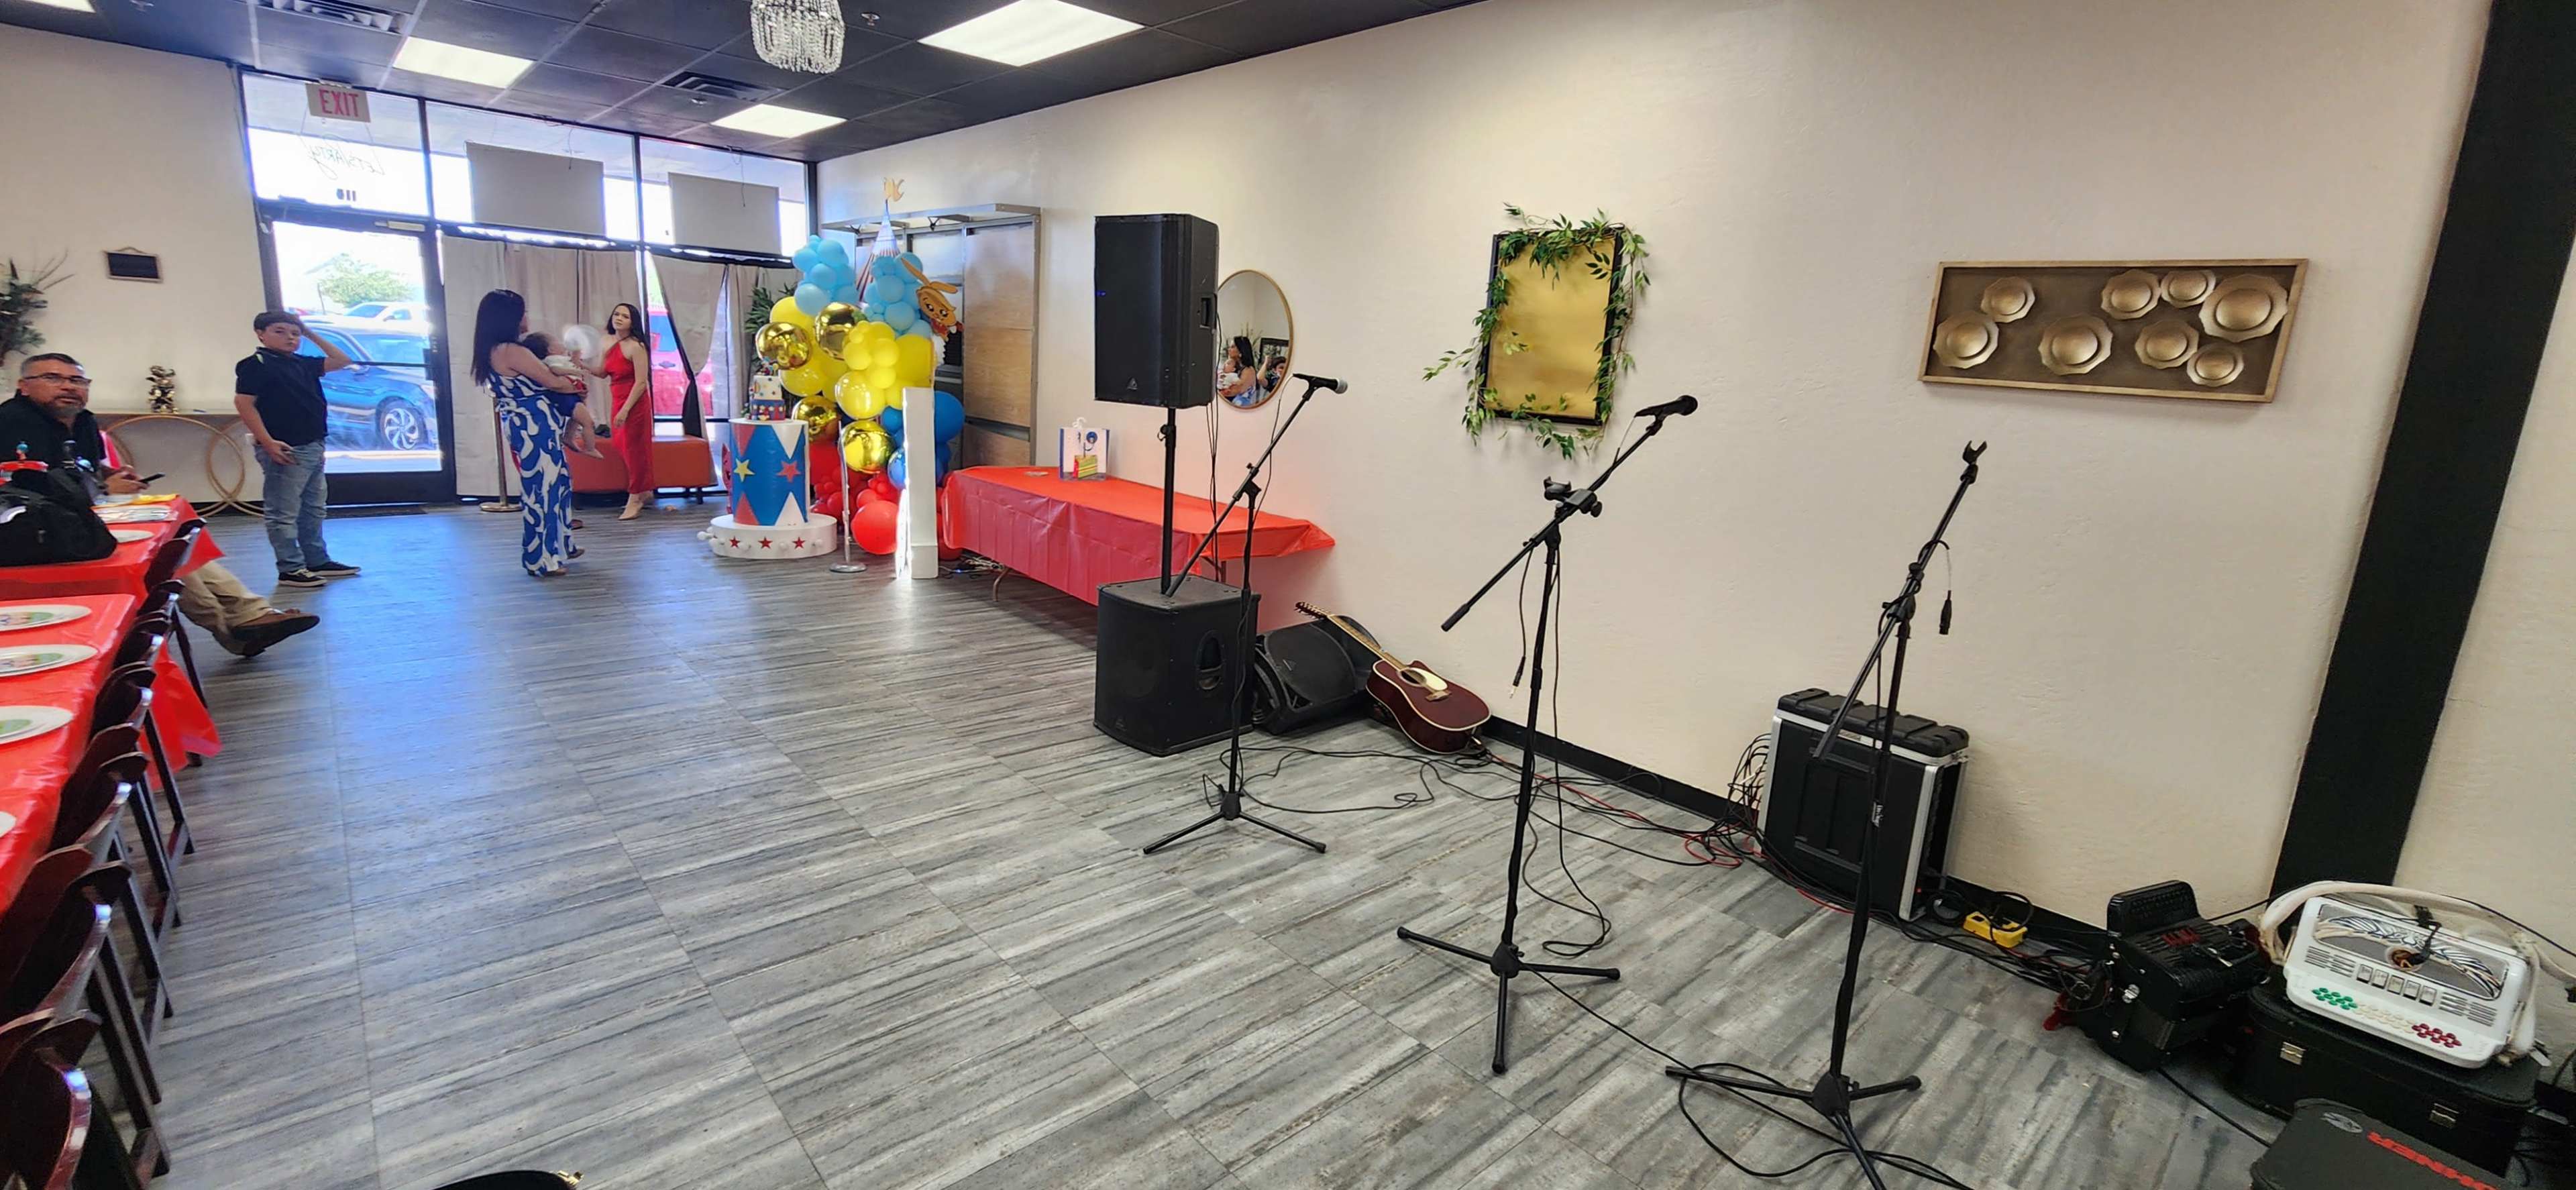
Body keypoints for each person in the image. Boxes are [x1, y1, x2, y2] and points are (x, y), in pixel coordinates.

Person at [2, 354, 319, 656]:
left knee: (173, 541)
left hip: (81, 517)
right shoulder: (13, 422)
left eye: (78, 380)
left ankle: (247, 617)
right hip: (34, 534)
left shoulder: (82, 421)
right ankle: (238, 624)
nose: (69, 387)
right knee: (162, 552)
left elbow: (85, 467)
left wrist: (112, 475)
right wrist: (101, 488)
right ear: (24, 385)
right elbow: (24, 489)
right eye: (53, 378)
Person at [233, 311, 358, 589]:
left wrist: (311, 334)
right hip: (286, 446)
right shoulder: (255, 365)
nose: (290, 338)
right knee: (283, 509)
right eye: (280, 331)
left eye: (295, 333)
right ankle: (290, 567)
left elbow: (343, 360)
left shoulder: (302, 363)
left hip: (314, 442)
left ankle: (316, 560)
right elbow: (244, 404)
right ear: (260, 333)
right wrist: (267, 441)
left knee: (313, 508)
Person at [472, 290, 584, 576]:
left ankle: (559, 547)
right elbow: (552, 382)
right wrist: (572, 380)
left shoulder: (492, 350)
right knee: (543, 490)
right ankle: (541, 557)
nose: (526, 318)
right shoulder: (511, 351)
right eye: (522, 313)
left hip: (529, 424)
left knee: (556, 483)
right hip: (534, 426)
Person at [590, 303, 653, 520]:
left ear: (632, 322)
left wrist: (626, 410)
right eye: (616, 314)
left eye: (624, 316)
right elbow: (601, 372)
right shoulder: (607, 341)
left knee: (635, 450)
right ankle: (644, 491)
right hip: (617, 400)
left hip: (634, 403)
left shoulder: (636, 346)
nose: (619, 318)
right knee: (622, 446)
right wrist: (580, 364)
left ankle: (635, 497)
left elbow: (641, 382)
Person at [520, 333, 606, 459]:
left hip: (574, 394)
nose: (562, 344)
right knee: (588, 422)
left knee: (577, 419)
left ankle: (569, 437)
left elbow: (575, 362)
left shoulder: (562, 359)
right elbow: (556, 370)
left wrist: (577, 355)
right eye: (558, 341)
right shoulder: (552, 360)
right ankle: (590, 448)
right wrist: (573, 371)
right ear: (551, 350)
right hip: (567, 397)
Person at [1218, 336, 1262, 408]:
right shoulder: (1235, 369)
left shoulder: (1249, 370)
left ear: (1241, 351)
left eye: (1232, 347)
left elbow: (1237, 390)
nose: (1229, 350)